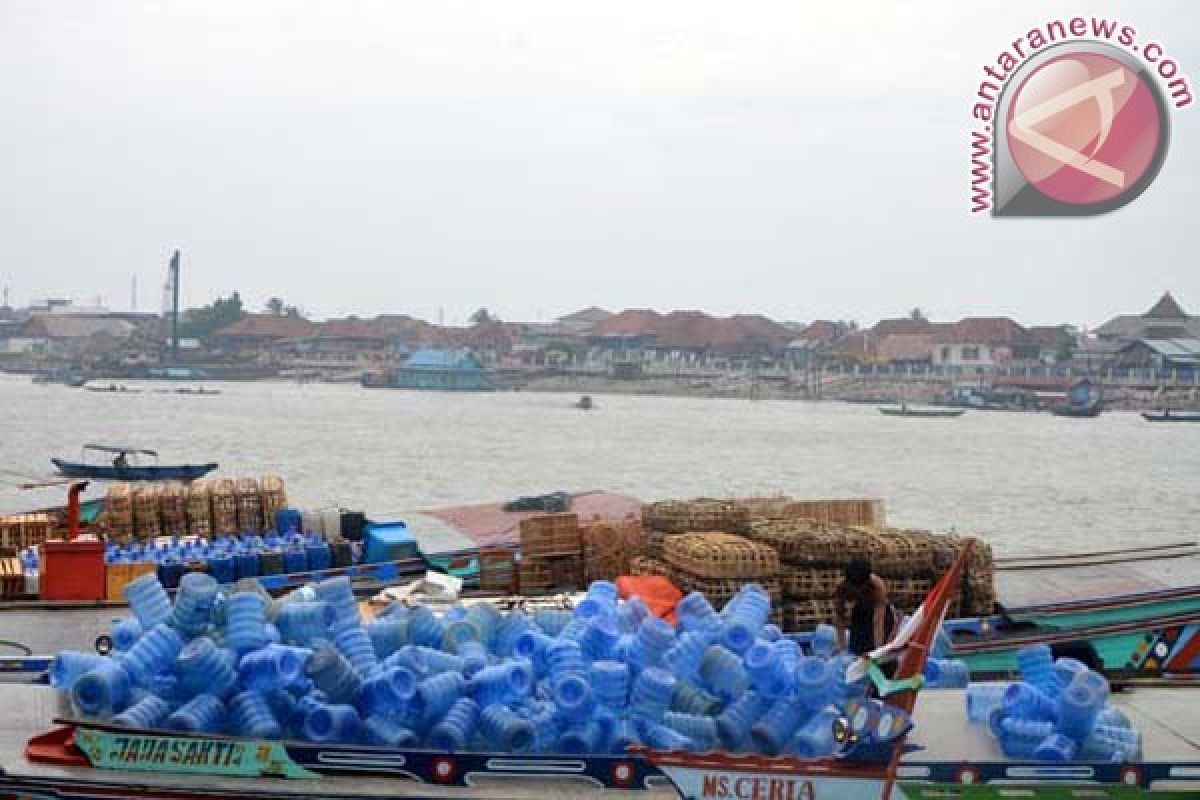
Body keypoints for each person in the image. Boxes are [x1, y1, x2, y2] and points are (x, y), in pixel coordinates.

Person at [833, 558, 899, 658]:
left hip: (877, 612)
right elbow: (839, 616)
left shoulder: (877, 586)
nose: (858, 588)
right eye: (855, 587)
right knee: (857, 649)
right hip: (859, 611)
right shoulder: (842, 587)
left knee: (875, 648)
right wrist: (841, 645)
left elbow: (878, 620)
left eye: (860, 586)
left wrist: (878, 650)